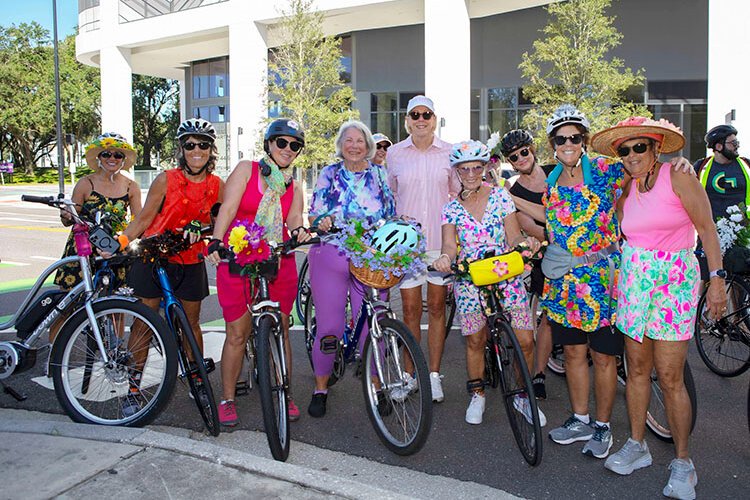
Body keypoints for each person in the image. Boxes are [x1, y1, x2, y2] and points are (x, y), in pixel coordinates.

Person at [591, 117, 725, 499]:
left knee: (669, 376)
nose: (632, 155)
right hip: (635, 282)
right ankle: (637, 445)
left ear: (655, 148)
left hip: (674, 283)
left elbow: (708, 228)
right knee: (636, 370)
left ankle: (684, 463)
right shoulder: (625, 190)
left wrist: (716, 280)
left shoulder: (679, 177)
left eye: (640, 147)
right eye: (624, 149)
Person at [206, 118, 310, 427]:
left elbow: (293, 218)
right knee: (237, 333)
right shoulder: (246, 170)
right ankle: (227, 398)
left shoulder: (295, 182)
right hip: (238, 255)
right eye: (282, 142)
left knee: (281, 328)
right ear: (268, 144)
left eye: (294, 146)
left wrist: (300, 231)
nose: (288, 150)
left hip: (277, 259)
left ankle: (284, 392)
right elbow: (227, 208)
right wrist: (215, 239)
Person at [432, 141, 544, 426]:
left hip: (505, 271)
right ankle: (478, 394)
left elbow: (514, 235)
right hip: (470, 275)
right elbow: (449, 245)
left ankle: (522, 397)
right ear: (456, 171)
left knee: (526, 340)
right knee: (475, 340)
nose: (471, 173)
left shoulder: (501, 197)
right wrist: (446, 258)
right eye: (464, 168)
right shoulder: (451, 209)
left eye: (476, 167)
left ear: (485, 168)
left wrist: (525, 243)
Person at [121, 118, 224, 407]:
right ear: (181, 148)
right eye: (190, 144)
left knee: (191, 324)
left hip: (190, 260)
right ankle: (132, 389)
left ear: (210, 150)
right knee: (143, 324)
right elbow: (143, 219)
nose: (196, 150)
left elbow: (222, 223)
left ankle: (198, 380)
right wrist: (120, 241)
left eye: (203, 144)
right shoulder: (166, 179)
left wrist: (204, 230)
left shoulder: (218, 185)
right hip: (153, 258)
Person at [306, 119, 396, 417]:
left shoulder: (380, 175)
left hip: (370, 256)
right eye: (349, 140)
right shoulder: (329, 174)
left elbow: (390, 215)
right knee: (330, 326)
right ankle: (321, 388)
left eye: (360, 140)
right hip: (331, 253)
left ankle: (378, 385)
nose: (355, 145)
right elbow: (315, 214)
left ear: (368, 146)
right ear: (341, 146)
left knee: (373, 326)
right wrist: (322, 221)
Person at [386, 95, 460, 403]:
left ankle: (432, 375)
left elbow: (456, 194)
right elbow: (391, 195)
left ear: (434, 119)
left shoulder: (449, 153)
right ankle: (408, 375)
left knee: (439, 309)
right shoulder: (393, 154)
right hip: (407, 246)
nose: (420, 119)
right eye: (414, 114)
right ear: (406, 120)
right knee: (411, 311)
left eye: (426, 114)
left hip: (440, 243)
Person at [53, 132, 141, 340]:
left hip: (115, 250)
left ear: (124, 159)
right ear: (99, 158)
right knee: (67, 302)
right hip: (83, 249)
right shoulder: (86, 183)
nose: (112, 159)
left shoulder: (131, 186)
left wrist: (125, 240)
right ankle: (53, 353)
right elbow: (69, 218)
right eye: (107, 154)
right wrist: (66, 214)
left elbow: (139, 220)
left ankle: (115, 350)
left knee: (116, 305)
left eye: (118, 155)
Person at [495, 129, 554, 400]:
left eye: (524, 152)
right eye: (514, 156)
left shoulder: (557, 173)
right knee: (545, 319)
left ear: (533, 149)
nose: (520, 158)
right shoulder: (514, 188)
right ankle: (539, 373)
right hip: (543, 257)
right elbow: (530, 227)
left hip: (576, 254)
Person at [693, 124, 750, 277]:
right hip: (709, 232)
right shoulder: (701, 167)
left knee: (739, 281)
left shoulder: (746, 165)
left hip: (742, 233)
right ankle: (700, 300)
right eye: (733, 143)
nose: (737, 146)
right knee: (705, 277)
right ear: (718, 146)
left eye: (736, 143)